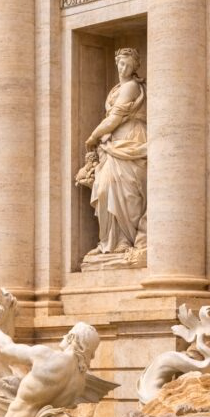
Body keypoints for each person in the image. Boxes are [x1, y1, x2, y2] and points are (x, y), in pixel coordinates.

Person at [0, 307, 102, 417]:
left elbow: (5, 347)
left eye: (67, 334)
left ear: (72, 338)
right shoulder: (79, 383)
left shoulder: (47, 356)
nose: (64, 337)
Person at [76, 47, 147, 267]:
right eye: (120, 63)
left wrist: (93, 136)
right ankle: (110, 241)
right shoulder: (116, 89)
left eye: (127, 64)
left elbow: (115, 118)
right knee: (105, 188)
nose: (122, 67)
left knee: (126, 190)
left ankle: (126, 239)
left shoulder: (132, 87)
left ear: (135, 66)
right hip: (112, 145)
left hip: (131, 140)